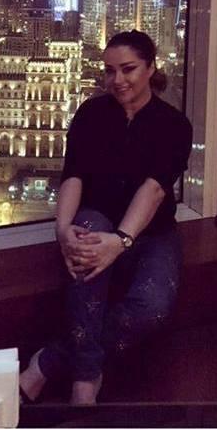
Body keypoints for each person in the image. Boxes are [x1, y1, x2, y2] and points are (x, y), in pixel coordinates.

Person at [20, 30, 193, 405]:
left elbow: (154, 189)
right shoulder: (91, 114)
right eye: (109, 70)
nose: (117, 80)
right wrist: (62, 230)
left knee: (152, 309)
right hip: (96, 218)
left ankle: (48, 362)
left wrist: (122, 240)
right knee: (85, 252)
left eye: (128, 69)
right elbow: (73, 175)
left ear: (150, 67)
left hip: (151, 232)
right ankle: (86, 379)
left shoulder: (173, 125)